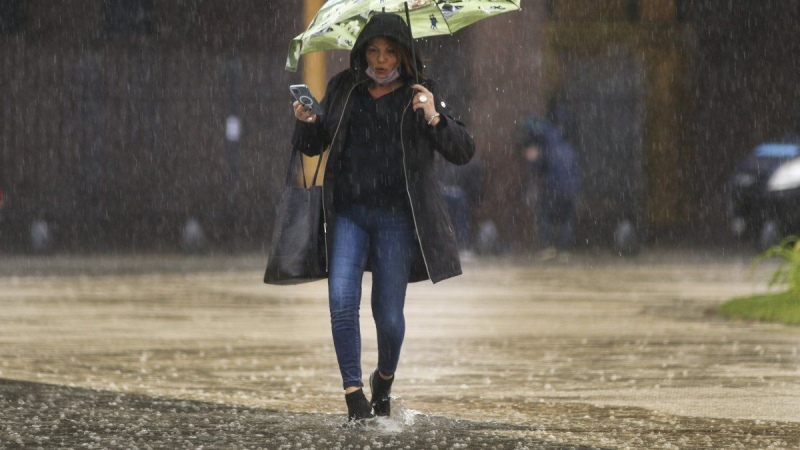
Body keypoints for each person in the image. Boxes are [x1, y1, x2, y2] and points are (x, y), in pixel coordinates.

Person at [290, 13, 475, 422]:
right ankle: (354, 395)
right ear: (362, 53)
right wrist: (306, 124)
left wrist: (433, 115)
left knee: (389, 317)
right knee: (341, 302)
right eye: (373, 50)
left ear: (404, 55)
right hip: (349, 215)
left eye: (390, 51)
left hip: (396, 220)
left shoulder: (421, 93)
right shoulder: (345, 88)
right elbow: (314, 145)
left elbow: (463, 150)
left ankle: (384, 378)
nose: (381, 59)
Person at [518, 115, 580, 261]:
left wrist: (532, 159)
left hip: (553, 188)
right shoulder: (567, 147)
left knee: (545, 216)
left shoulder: (546, 148)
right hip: (570, 189)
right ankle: (564, 250)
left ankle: (548, 248)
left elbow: (538, 166)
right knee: (565, 219)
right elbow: (574, 168)